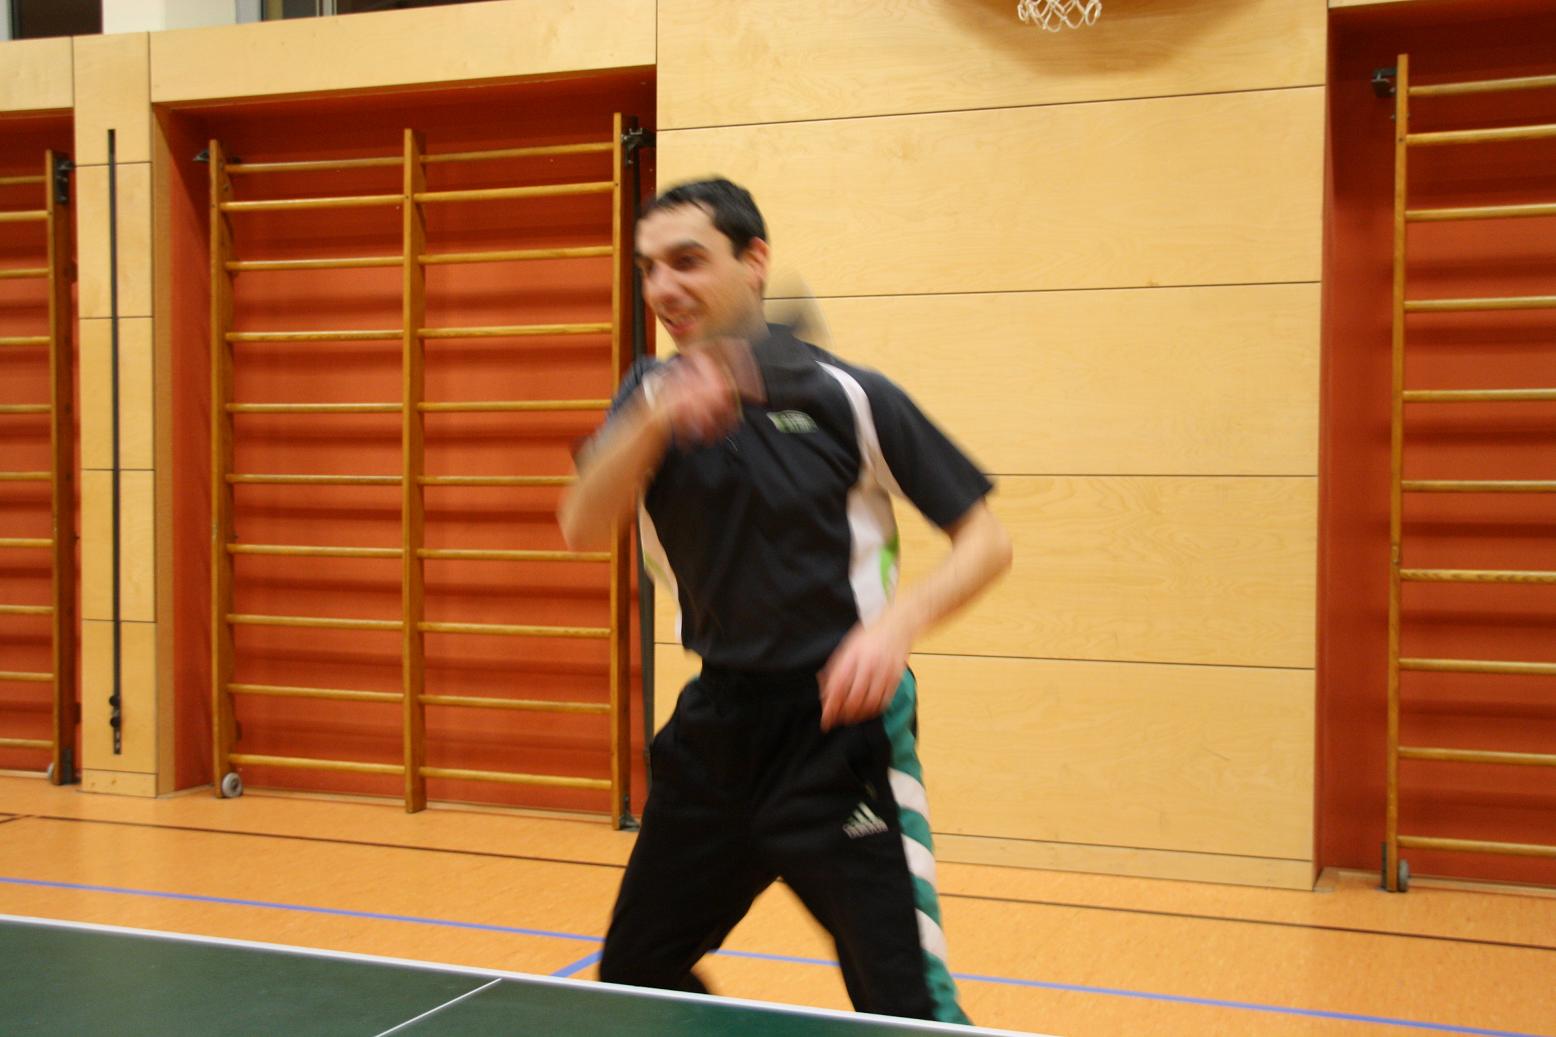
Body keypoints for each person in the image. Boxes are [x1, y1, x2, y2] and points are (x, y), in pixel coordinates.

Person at [558, 178, 1011, 1024]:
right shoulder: (645, 396)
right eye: (649, 268)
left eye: (688, 261)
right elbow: (581, 524)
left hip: (842, 732)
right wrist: (657, 420)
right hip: (717, 729)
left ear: (755, 261)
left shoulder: (850, 396)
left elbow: (986, 540)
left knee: (903, 1006)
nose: (663, 287)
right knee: (636, 972)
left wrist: (896, 627)